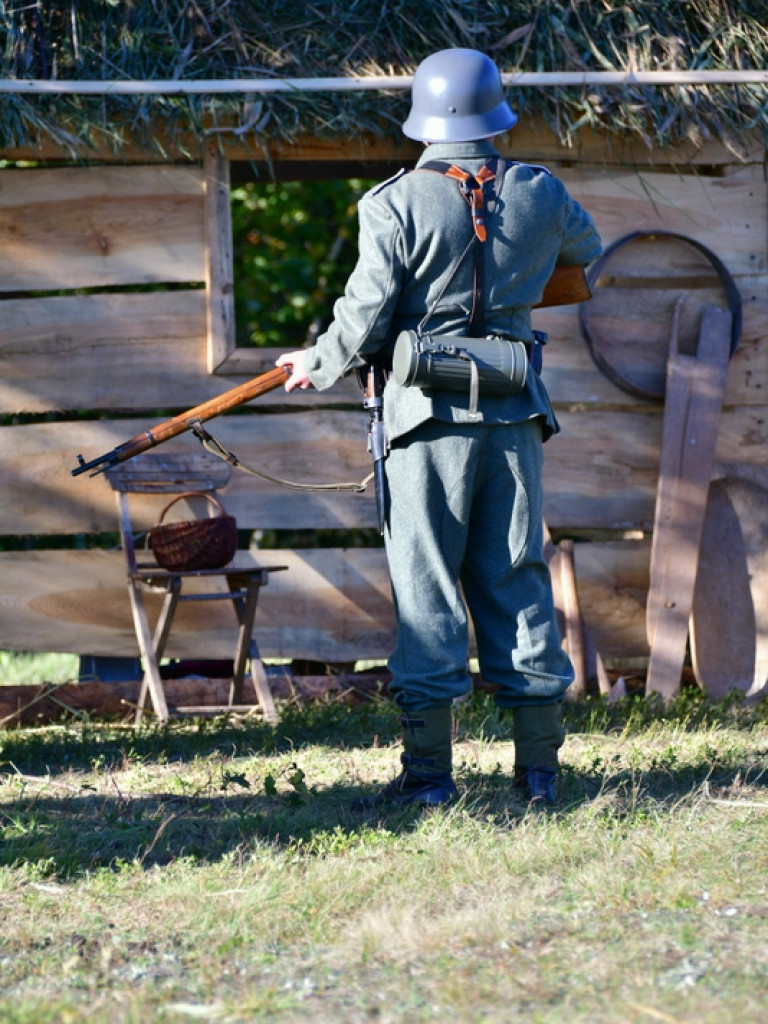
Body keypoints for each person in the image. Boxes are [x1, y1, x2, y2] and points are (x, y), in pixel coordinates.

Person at [276, 48, 602, 807]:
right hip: (516, 411)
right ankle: (541, 776)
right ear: (494, 111)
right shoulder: (541, 191)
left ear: (425, 113)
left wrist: (316, 362)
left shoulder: (392, 203)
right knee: (517, 580)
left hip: (425, 423)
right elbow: (583, 255)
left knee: (427, 590)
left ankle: (428, 781)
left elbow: (363, 320)